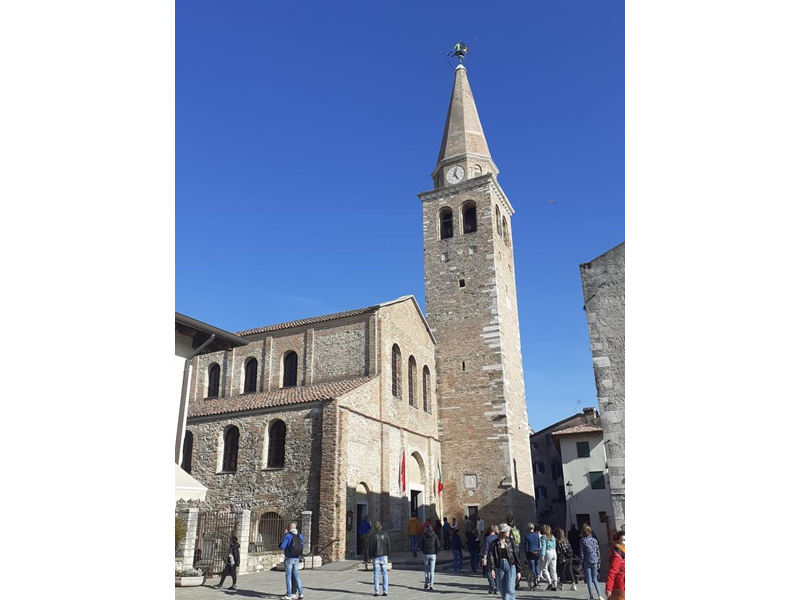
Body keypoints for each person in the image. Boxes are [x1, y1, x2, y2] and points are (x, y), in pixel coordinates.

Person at [487, 523, 523, 600]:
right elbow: (491, 557)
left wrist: (519, 570)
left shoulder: (511, 542)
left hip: (510, 565)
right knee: (502, 589)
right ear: (503, 532)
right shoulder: (494, 543)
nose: (509, 532)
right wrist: (492, 569)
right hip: (500, 566)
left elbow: (516, 555)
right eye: (507, 531)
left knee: (510, 589)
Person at [279, 522, 305, 600]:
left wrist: (284, 537)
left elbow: (282, 547)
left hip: (289, 558)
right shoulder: (300, 535)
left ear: (290, 528)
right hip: (297, 557)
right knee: (297, 576)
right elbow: (302, 545)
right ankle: (300, 593)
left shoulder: (288, 536)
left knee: (288, 576)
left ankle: (288, 595)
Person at [578, 523, 603, 600]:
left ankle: (591, 596)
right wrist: (599, 561)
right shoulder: (594, 540)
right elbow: (597, 551)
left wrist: (580, 563)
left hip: (587, 561)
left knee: (589, 579)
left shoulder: (582, 540)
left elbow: (582, 553)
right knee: (595, 579)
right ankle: (600, 595)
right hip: (594, 560)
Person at [368, 521, 391, 597]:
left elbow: (369, 547)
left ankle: (376, 591)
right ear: (381, 527)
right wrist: (388, 555)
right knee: (385, 573)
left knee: (376, 574)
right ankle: (385, 591)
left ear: (375, 528)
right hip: (384, 556)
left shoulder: (372, 536)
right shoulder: (385, 535)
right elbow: (388, 546)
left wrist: (370, 556)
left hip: (376, 556)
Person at [555, 527, 577, 591]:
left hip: (563, 559)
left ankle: (561, 585)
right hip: (569, 558)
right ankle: (573, 584)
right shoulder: (566, 540)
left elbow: (559, 551)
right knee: (570, 571)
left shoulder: (558, 541)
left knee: (562, 572)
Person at [605, 531, 625, 600]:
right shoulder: (617, 556)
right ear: (617, 541)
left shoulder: (622, 552)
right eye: (623, 540)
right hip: (619, 586)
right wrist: (609, 588)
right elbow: (612, 572)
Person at [421, 522, 440, 591]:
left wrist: (423, 551)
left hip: (426, 553)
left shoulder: (424, 535)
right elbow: (438, 544)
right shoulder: (434, 535)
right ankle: (431, 584)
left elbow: (421, 544)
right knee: (432, 570)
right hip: (433, 554)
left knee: (426, 569)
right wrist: (436, 552)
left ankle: (426, 583)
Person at [522, 523, 541, 590]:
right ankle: (538, 577)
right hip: (537, 552)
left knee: (532, 567)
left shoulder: (527, 536)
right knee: (537, 566)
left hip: (531, 552)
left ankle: (534, 579)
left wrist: (525, 554)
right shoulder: (537, 535)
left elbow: (526, 546)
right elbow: (539, 544)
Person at [540, 524, 557, 591]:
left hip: (548, 551)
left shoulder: (543, 537)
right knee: (553, 569)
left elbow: (543, 546)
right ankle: (555, 584)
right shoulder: (553, 537)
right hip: (554, 551)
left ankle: (550, 583)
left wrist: (543, 555)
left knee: (544, 568)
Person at [483, 524, 499, 594]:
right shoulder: (497, 537)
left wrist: (484, 558)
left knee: (488, 571)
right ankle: (496, 587)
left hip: (490, 556)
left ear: (489, 531)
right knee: (496, 571)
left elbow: (486, 549)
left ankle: (492, 585)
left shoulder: (487, 538)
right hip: (497, 556)